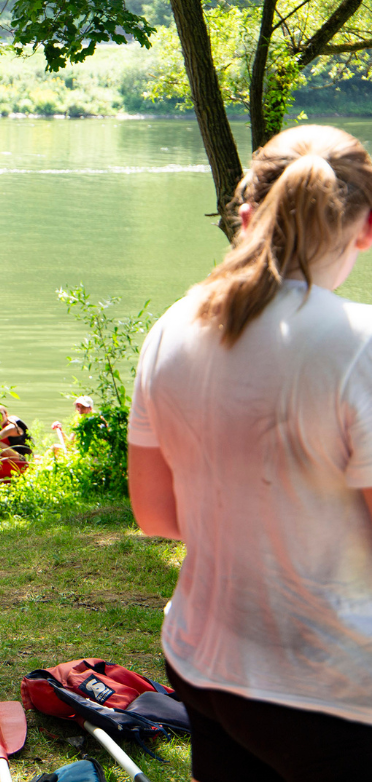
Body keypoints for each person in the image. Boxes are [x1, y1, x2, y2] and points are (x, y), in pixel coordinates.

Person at [129, 125, 372, 780]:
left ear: (244, 218)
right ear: (366, 227)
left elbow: (154, 513)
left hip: (208, 667)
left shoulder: (171, 328)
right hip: (333, 690)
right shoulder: (359, 346)